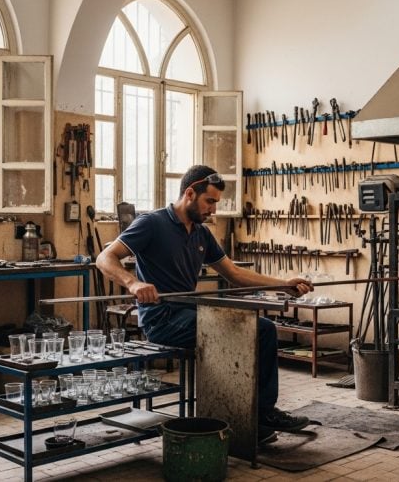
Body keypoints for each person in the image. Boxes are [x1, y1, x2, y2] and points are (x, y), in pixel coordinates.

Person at [97, 165, 314, 441]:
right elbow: (105, 258)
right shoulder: (151, 223)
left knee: (265, 328)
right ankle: (255, 419)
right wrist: (133, 283)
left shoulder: (201, 233)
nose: (213, 210)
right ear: (189, 193)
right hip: (162, 319)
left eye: (216, 203)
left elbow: (233, 273)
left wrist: (283, 285)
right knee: (256, 330)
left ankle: (253, 418)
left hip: (191, 312)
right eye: (209, 201)